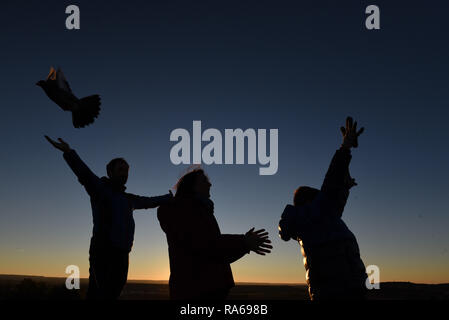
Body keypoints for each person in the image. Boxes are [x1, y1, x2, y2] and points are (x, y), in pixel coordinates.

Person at [45, 136, 173, 299]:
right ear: (110, 172)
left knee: (109, 294)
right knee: (104, 294)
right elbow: (84, 174)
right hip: (104, 251)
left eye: (126, 171)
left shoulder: (128, 199)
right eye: (120, 169)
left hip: (123, 253)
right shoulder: (100, 189)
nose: (124, 174)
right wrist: (69, 152)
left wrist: (167, 198)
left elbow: (148, 201)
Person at [278, 117, 368, 300]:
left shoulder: (315, 220)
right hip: (342, 293)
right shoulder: (315, 213)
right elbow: (331, 181)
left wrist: (344, 188)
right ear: (311, 201)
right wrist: (345, 148)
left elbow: (334, 208)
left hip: (333, 291)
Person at [157, 168, 272, 300]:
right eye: (204, 181)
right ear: (192, 186)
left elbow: (216, 254)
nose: (210, 184)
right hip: (197, 291)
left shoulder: (200, 210)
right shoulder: (184, 210)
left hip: (205, 288)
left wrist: (245, 245)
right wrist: (244, 242)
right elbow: (207, 245)